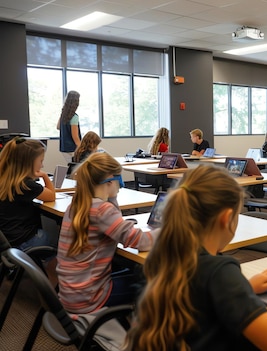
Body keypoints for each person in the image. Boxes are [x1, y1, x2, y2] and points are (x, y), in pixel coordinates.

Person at [125, 166, 267, 350]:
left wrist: (244, 287)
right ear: (226, 218)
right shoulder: (219, 271)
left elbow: (200, 298)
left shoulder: (162, 257)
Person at [56, 152, 156, 314]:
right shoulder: (102, 210)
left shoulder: (77, 204)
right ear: (110, 180)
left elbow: (113, 224)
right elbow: (140, 241)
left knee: (130, 270)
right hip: (90, 297)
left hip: (71, 293)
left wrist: (112, 197)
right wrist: (167, 230)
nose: (121, 185)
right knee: (151, 280)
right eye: (119, 180)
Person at [0, 138, 56, 249]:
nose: (42, 166)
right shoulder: (26, 185)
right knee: (52, 239)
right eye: (41, 161)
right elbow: (51, 196)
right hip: (22, 240)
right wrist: (45, 176)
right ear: (29, 163)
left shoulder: (6, 179)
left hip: (8, 238)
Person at [57, 90, 82, 163]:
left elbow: (58, 127)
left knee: (71, 167)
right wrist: (82, 148)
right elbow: (75, 137)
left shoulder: (63, 114)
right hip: (73, 148)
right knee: (77, 169)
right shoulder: (74, 117)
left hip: (64, 147)